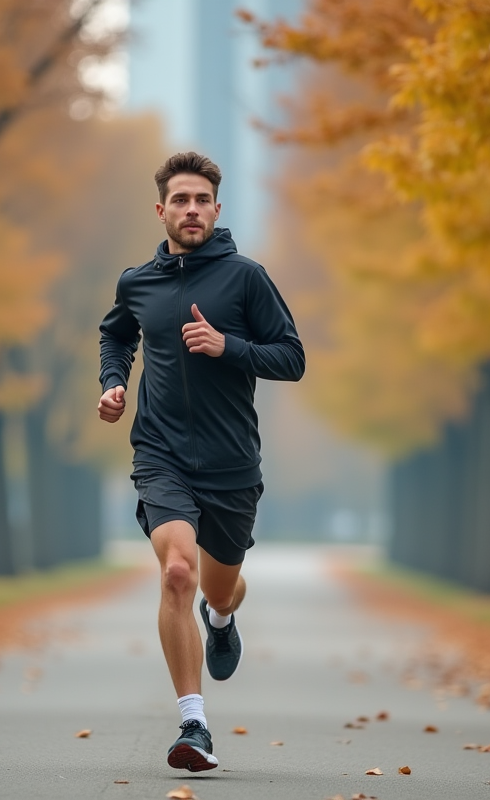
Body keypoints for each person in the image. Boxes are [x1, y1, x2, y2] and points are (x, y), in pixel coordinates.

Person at [97, 152, 305, 772]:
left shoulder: (246, 279)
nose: (191, 210)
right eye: (180, 200)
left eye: (202, 201)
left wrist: (226, 345)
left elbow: (291, 357)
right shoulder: (138, 282)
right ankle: (194, 724)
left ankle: (221, 616)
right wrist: (114, 383)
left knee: (218, 585)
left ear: (217, 209)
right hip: (160, 455)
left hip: (231, 464)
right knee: (177, 573)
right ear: (161, 210)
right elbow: (117, 333)